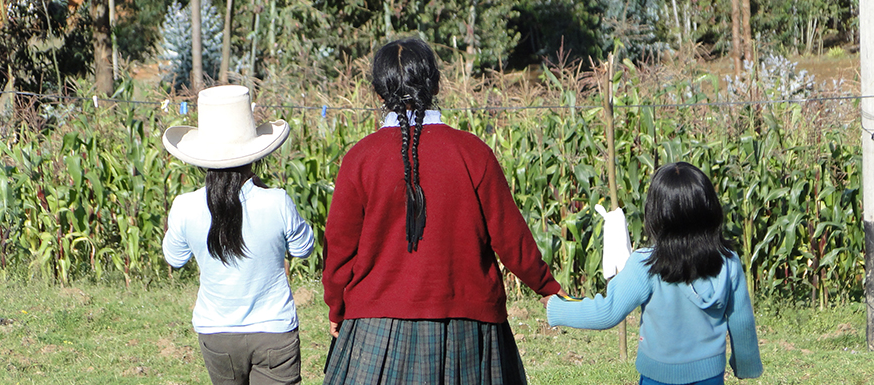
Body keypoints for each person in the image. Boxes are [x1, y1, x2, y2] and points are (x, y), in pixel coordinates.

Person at [321, 38, 566, 385]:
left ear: (378, 94)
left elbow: (339, 250)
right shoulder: (472, 152)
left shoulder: (360, 159)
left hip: (375, 325)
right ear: (436, 85)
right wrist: (547, 287)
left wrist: (337, 306)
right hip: (469, 325)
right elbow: (511, 237)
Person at [546, 162, 763, 385]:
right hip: (709, 376)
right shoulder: (728, 261)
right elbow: (741, 320)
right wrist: (746, 364)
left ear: (656, 212)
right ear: (709, 208)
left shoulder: (645, 263)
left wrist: (557, 307)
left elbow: (607, 312)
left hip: (657, 378)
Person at [161, 85, 315, 385]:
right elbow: (304, 248)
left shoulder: (185, 206)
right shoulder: (277, 200)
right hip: (274, 331)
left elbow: (174, 258)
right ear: (255, 152)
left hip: (216, 333)